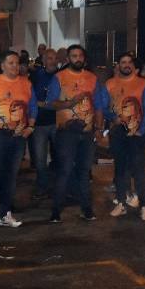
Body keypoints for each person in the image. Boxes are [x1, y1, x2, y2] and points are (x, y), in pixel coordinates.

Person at [46, 44, 110, 223]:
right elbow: (51, 103)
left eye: (80, 56)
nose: (77, 59)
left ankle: (86, 209)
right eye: (73, 56)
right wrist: (68, 104)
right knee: (65, 170)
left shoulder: (92, 78)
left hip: (87, 133)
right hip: (66, 132)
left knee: (84, 171)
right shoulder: (59, 78)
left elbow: (98, 106)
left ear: (84, 58)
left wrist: (98, 128)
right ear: (68, 59)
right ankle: (56, 210)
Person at [0, 51, 36, 228]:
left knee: (11, 176)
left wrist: (30, 127)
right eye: (10, 63)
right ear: (2, 65)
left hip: (18, 135)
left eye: (17, 63)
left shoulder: (26, 83)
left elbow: (33, 107)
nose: (15, 66)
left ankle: (5, 214)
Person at [105, 52, 145, 220]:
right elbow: (103, 107)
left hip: (136, 132)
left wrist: (142, 129)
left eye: (129, 62)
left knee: (138, 169)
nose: (126, 65)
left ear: (133, 66)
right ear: (118, 65)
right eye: (122, 62)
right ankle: (121, 202)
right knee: (120, 169)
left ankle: (144, 205)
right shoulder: (110, 84)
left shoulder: (142, 84)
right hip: (118, 131)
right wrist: (112, 118)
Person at [29, 47, 59, 201]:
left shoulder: (62, 76)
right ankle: (42, 187)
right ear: (44, 60)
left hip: (58, 122)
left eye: (54, 58)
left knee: (60, 157)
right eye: (49, 58)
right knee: (40, 160)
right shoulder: (35, 76)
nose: (52, 61)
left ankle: (59, 188)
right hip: (40, 123)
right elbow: (30, 95)